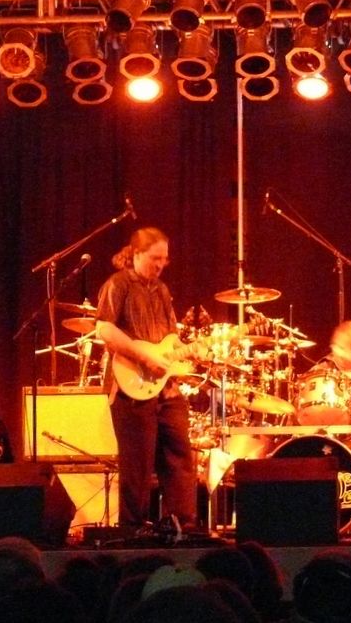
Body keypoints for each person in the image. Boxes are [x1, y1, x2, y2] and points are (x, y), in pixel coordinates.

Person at [95, 227, 200, 533]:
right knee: (137, 467)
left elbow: (170, 339)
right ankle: (133, 532)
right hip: (131, 387)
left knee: (180, 456)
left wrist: (190, 351)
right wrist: (144, 357)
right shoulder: (118, 284)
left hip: (165, 389)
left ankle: (182, 526)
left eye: (165, 259)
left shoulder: (162, 290)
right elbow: (105, 330)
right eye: (155, 258)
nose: (161, 264)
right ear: (137, 254)